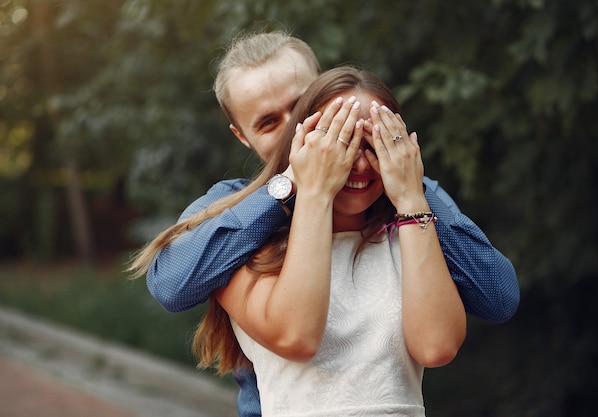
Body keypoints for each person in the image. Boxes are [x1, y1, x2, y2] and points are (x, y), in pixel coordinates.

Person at [129, 31, 519, 417]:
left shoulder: (403, 190)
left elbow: (497, 297)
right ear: (242, 137)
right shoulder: (235, 205)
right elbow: (171, 283)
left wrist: (407, 188)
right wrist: (293, 186)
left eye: (302, 109)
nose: (293, 131)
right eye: (267, 123)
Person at [191, 66, 466, 416]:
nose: (360, 163)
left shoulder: (412, 238)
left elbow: (437, 346)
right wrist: (315, 190)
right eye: (340, 143)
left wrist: (411, 197)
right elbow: (297, 336)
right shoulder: (247, 250)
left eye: (373, 145)